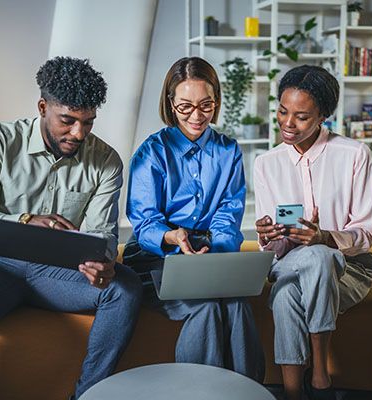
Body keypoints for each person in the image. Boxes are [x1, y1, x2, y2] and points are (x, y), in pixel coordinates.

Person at [0, 57, 143, 400]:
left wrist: (101, 264)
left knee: (126, 288)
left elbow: (103, 234)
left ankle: (87, 395)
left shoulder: (106, 161)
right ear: (43, 107)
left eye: (88, 123)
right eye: (68, 120)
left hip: (60, 272)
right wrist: (27, 221)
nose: (79, 133)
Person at [123, 56, 265, 382]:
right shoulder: (151, 152)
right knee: (206, 305)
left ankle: (248, 391)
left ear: (216, 102)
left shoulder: (228, 150)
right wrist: (174, 239)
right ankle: (199, 390)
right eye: (185, 106)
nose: (197, 116)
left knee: (237, 304)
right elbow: (145, 223)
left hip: (209, 251)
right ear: (171, 104)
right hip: (157, 255)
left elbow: (229, 215)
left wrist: (213, 247)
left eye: (206, 105)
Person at [253, 65, 372, 400]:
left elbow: (366, 233)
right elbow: (273, 250)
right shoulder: (266, 163)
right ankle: (321, 379)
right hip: (288, 263)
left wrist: (325, 237)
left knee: (291, 289)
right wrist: (268, 235)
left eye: (301, 116)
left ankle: (298, 390)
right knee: (311, 260)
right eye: (282, 111)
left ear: (323, 115)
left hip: (348, 269)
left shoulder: (354, 155)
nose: (287, 124)